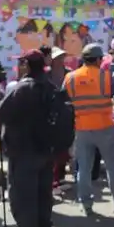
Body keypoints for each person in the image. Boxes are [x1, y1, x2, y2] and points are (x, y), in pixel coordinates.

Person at [0, 49, 68, 227]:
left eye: (21, 62)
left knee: (23, 195)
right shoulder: (50, 86)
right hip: (46, 150)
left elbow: (1, 112)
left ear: (26, 64)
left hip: (24, 151)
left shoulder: (23, 88)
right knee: (42, 193)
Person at [65, 43, 114, 216]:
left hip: (82, 129)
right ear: (99, 59)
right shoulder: (107, 77)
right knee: (112, 167)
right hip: (105, 128)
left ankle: (86, 204)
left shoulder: (70, 77)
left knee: (83, 168)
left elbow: (65, 102)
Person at [42, 46, 73, 191]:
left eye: (62, 57)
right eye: (57, 57)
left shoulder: (70, 73)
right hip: (49, 114)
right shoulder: (45, 74)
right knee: (52, 148)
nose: (60, 60)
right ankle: (52, 178)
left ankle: (60, 176)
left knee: (64, 147)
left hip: (67, 114)